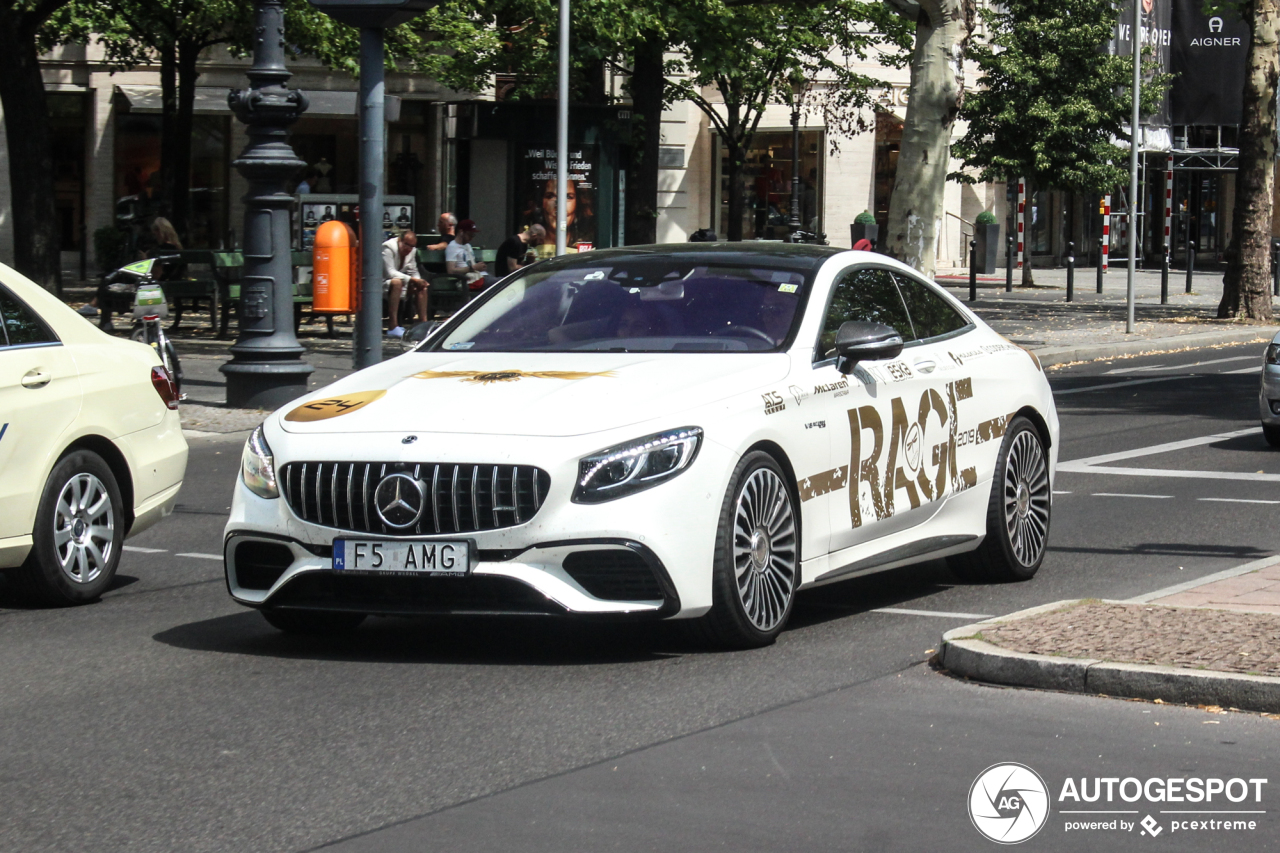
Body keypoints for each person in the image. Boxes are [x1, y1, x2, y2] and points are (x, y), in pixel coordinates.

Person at [381, 230, 429, 338]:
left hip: (402, 283)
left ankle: (423, 325)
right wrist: (413, 280)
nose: (409, 249)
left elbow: (413, 270)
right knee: (397, 282)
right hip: (382, 283)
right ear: (400, 240)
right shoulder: (388, 247)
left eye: (412, 246)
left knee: (422, 287)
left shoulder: (412, 251)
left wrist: (418, 281)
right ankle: (393, 327)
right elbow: (390, 272)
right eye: (407, 245)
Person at [445, 219, 490, 291]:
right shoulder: (452, 247)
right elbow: (451, 271)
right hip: (467, 280)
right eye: (470, 235)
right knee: (500, 284)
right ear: (461, 232)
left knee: (503, 282)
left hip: (478, 277)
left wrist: (480, 267)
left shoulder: (468, 246)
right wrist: (473, 268)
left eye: (473, 235)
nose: (471, 238)